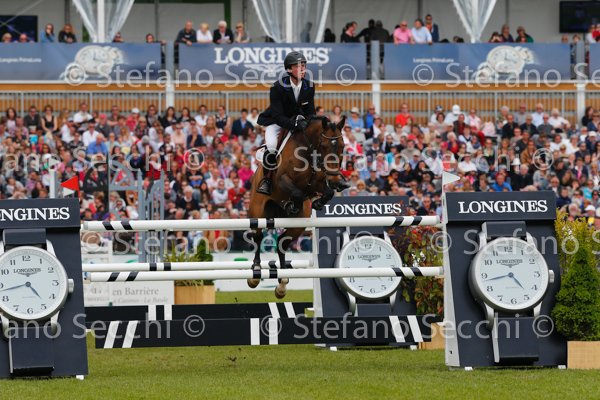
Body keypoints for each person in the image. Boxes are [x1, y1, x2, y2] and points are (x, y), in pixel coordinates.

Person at [255, 51, 316, 195]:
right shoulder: (277, 87)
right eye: (298, 66)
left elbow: (310, 112)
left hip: (298, 120)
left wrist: (308, 123)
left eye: (304, 66)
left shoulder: (309, 86)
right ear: (289, 69)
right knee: (271, 146)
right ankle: (267, 180)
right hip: (277, 122)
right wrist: (295, 125)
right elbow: (277, 116)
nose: (302, 69)